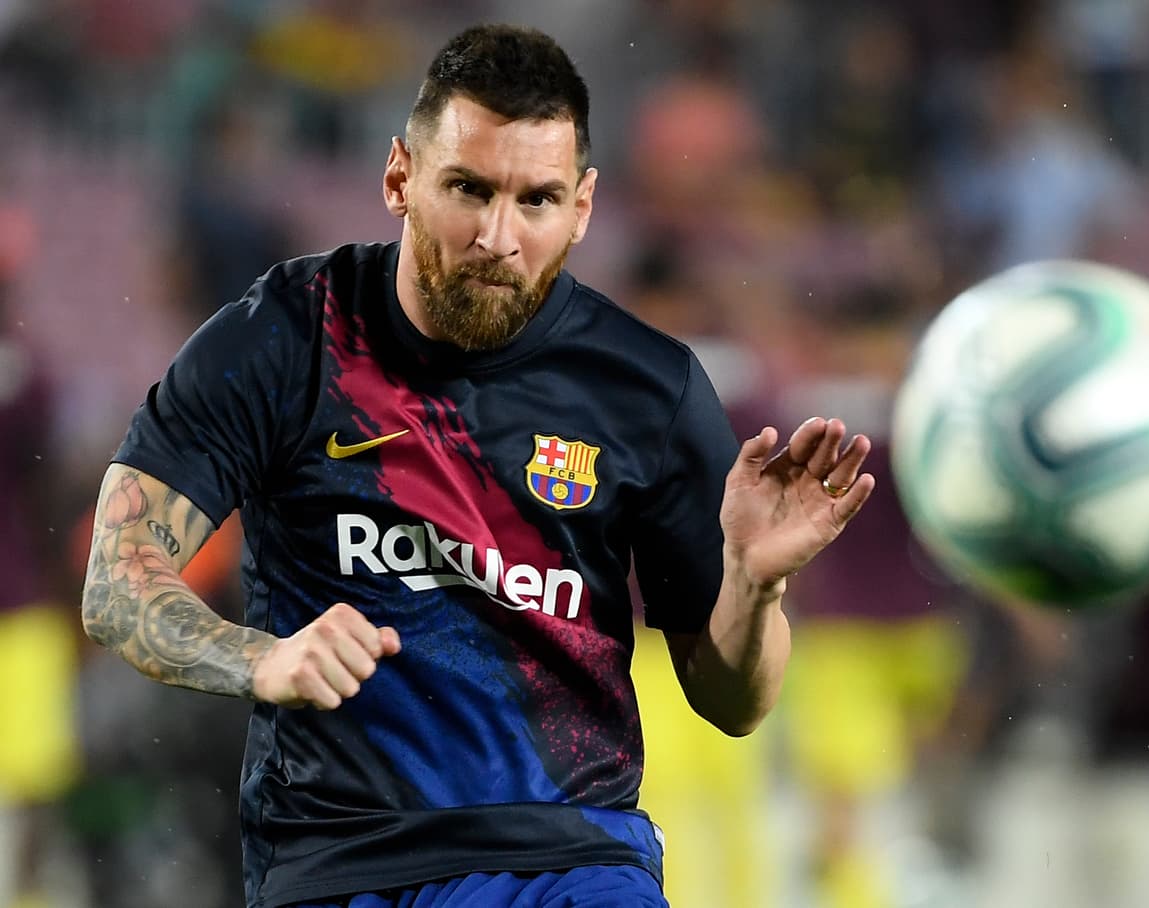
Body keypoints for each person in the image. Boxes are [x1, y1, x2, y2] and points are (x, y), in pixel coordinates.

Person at [80, 23, 874, 908]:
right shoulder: (285, 339)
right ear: (400, 178)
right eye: (469, 188)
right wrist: (260, 658)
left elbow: (736, 704)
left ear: (581, 207)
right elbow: (115, 582)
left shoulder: (648, 390)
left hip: (572, 859)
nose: (499, 235)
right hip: (342, 864)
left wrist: (752, 587)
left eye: (536, 200)